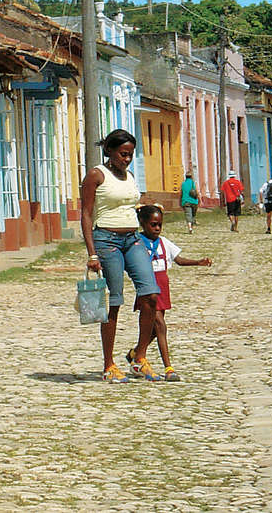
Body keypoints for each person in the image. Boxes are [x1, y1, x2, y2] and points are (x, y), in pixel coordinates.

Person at [80, 129, 163, 383]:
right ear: (109, 151)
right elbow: (85, 214)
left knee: (150, 295)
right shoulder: (96, 175)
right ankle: (109, 365)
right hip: (107, 242)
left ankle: (139, 357)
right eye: (123, 154)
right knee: (114, 302)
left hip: (132, 239)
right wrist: (92, 253)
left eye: (130, 155)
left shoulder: (129, 176)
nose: (127, 159)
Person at [134, 205, 212, 382]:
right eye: (153, 225)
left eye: (160, 225)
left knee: (152, 329)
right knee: (160, 325)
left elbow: (178, 260)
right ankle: (168, 367)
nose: (157, 228)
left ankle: (136, 352)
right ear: (143, 223)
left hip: (162, 287)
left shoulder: (164, 242)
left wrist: (197, 262)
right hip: (147, 288)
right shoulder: (137, 243)